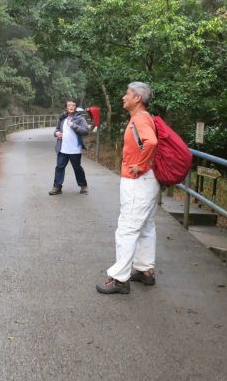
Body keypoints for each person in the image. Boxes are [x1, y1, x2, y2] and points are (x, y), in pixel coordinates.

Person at [96, 82, 159, 295]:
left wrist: (139, 165)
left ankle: (120, 279)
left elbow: (151, 142)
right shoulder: (142, 118)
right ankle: (144, 270)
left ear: (137, 98)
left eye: (128, 94)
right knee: (146, 226)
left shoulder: (140, 118)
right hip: (147, 180)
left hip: (138, 181)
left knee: (127, 229)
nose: (124, 97)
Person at [48, 99, 90, 195]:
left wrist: (74, 126)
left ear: (75, 107)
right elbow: (57, 129)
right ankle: (57, 187)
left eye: (73, 105)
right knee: (59, 167)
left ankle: (83, 186)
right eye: (69, 105)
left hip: (75, 150)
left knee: (77, 168)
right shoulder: (62, 118)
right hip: (62, 148)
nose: (71, 107)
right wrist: (56, 133)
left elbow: (86, 131)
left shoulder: (80, 118)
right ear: (66, 107)